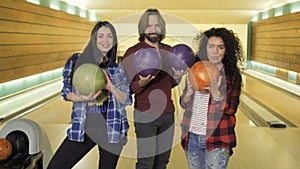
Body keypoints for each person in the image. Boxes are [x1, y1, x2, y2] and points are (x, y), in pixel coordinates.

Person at [47, 21, 132, 169]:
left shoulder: (117, 69)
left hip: (111, 131)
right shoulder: (77, 61)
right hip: (84, 128)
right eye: (101, 36)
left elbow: (127, 99)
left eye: (109, 36)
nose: (105, 40)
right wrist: (83, 98)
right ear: (94, 38)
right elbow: (66, 92)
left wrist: (110, 87)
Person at [121, 8, 184, 169]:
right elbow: (128, 89)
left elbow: (171, 83)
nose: (153, 29)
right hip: (145, 115)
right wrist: (141, 83)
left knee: (162, 162)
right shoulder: (132, 52)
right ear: (143, 28)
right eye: (149, 26)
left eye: (157, 25)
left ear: (161, 28)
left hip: (168, 114)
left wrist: (178, 76)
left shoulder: (169, 51)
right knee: (146, 163)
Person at [180, 27, 243, 169]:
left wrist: (217, 94)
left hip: (217, 137)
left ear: (226, 50)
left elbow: (232, 108)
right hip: (192, 135)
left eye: (220, 47)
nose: (215, 51)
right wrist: (188, 94)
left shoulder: (231, 76)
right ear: (205, 48)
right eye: (211, 46)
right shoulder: (195, 70)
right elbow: (184, 103)